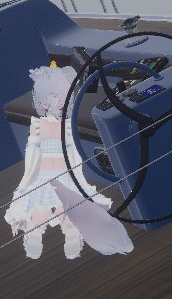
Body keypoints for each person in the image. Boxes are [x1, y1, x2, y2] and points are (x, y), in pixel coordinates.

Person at [8, 60, 133, 260]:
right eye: (54, 99)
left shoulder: (68, 126)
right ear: (42, 103)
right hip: (46, 176)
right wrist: (26, 185)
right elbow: (32, 156)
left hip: (66, 175)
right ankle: (35, 236)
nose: (60, 104)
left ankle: (72, 237)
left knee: (70, 209)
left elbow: (74, 156)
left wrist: (77, 176)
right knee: (42, 210)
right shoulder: (39, 127)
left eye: (65, 98)